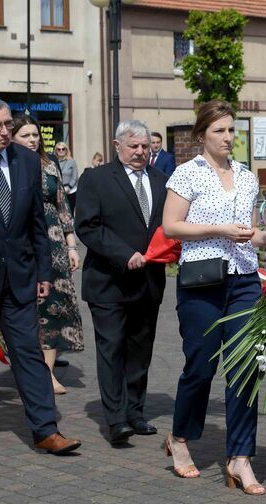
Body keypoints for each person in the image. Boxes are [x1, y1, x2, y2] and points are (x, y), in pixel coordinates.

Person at [0, 97, 81, 455]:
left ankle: (45, 429)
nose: (6, 132)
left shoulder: (25, 160)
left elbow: (37, 221)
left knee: (28, 353)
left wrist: (43, 270)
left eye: (9, 124)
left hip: (19, 277)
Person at [161, 100, 266, 490]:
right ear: (201, 136)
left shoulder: (245, 176)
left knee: (245, 368)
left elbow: (250, 229)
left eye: (231, 130)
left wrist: (265, 238)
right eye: (219, 131)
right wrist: (219, 229)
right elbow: (171, 227)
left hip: (243, 278)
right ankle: (178, 438)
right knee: (201, 367)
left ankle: (240, 457)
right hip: (201, 280)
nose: (228, 137)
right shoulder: (186, 174)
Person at [76, 120, 168, 445]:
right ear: (117, 146)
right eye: (134, 146)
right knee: (111, 347)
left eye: (145, 146)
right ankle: (116, 420)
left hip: (149, 282)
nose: (141, 152)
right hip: (109, 282)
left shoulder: (161, 180)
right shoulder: (96, 179)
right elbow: (87, 226)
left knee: (139, 350)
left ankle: (135, 412)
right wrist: (123, 253)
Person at [11, 115, 85, 395]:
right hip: (22, 242)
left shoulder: (49, 164)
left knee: (53, 307)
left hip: (54, 245)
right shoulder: (10, 166)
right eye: (25, 135)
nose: (32, 140)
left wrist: (71, 245)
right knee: (23, 308)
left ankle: (47, 373)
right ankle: (25, 368)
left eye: (35, 135)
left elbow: (63, 206)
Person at [54, 140, 78, 212]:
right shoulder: (53, 162)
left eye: (63, 149)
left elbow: (75, 177)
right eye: (59, 149)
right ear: (56, 151)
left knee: (69, 212)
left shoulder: (72, 161)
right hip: (58, 191)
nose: (61, 151)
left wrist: (69, 187)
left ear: (66, 150)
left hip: (70, 191)